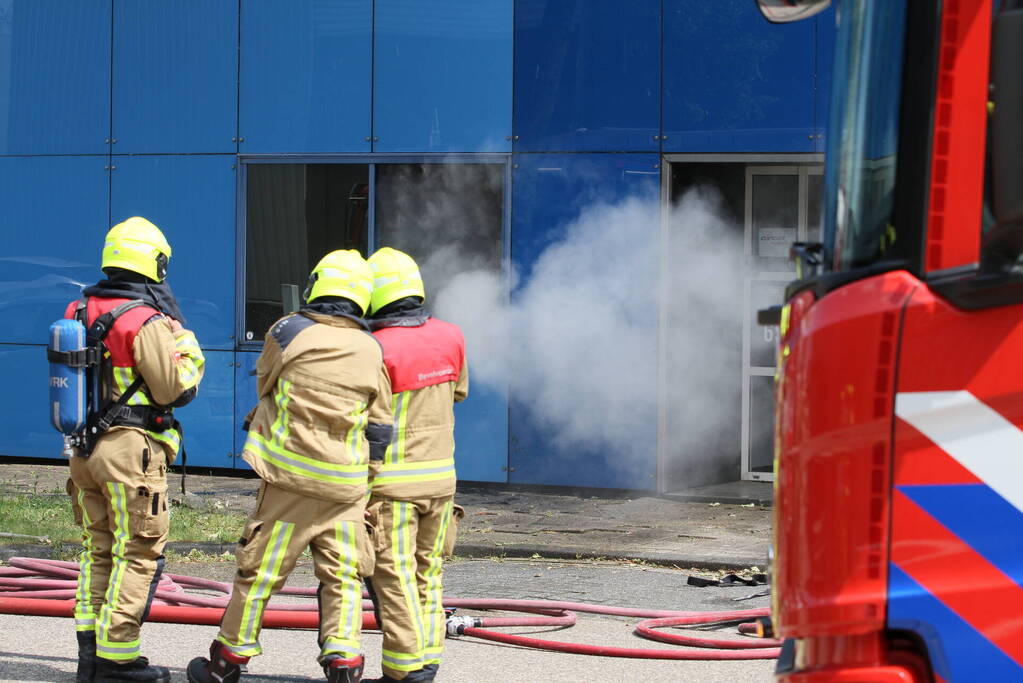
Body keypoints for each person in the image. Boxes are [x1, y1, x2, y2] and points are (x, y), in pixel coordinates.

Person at [187, 249, 393, 683]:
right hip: (346, 487)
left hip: (289, 482)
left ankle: (226, 663)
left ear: (317, 285)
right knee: (343, 577)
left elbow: (266, 381)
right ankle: (344, 663)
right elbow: (380, 425)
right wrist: (367, 480)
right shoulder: (372, 347)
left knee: (259, 573)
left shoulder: (289, 330)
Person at [65, 216, 206, 682]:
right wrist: (185, 344)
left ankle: (92, 656)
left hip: (83, 449)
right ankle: (117, 660)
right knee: (139, 552)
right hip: (130, 452)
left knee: (97, 549)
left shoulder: (78, 311)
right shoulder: (144, 320)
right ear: (156, 263)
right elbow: (172, 389)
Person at [362, 248, 469, 683]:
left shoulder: (374, 347)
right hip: (442, 481)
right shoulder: (452, 336)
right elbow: (458, 393)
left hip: (392, 486)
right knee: (428, 573)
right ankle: (426, 660)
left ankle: (403, 671)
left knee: (394, 577)